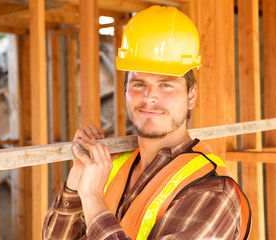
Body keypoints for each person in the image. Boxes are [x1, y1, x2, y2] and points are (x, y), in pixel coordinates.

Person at [42, 5, 251, 240]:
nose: (149, 96)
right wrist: (77, 178)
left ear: (191, 95)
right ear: (125, 90)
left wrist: (91, 197)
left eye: (166, 84)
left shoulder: (212, 193)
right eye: (138, 84)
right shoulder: (113, 168)